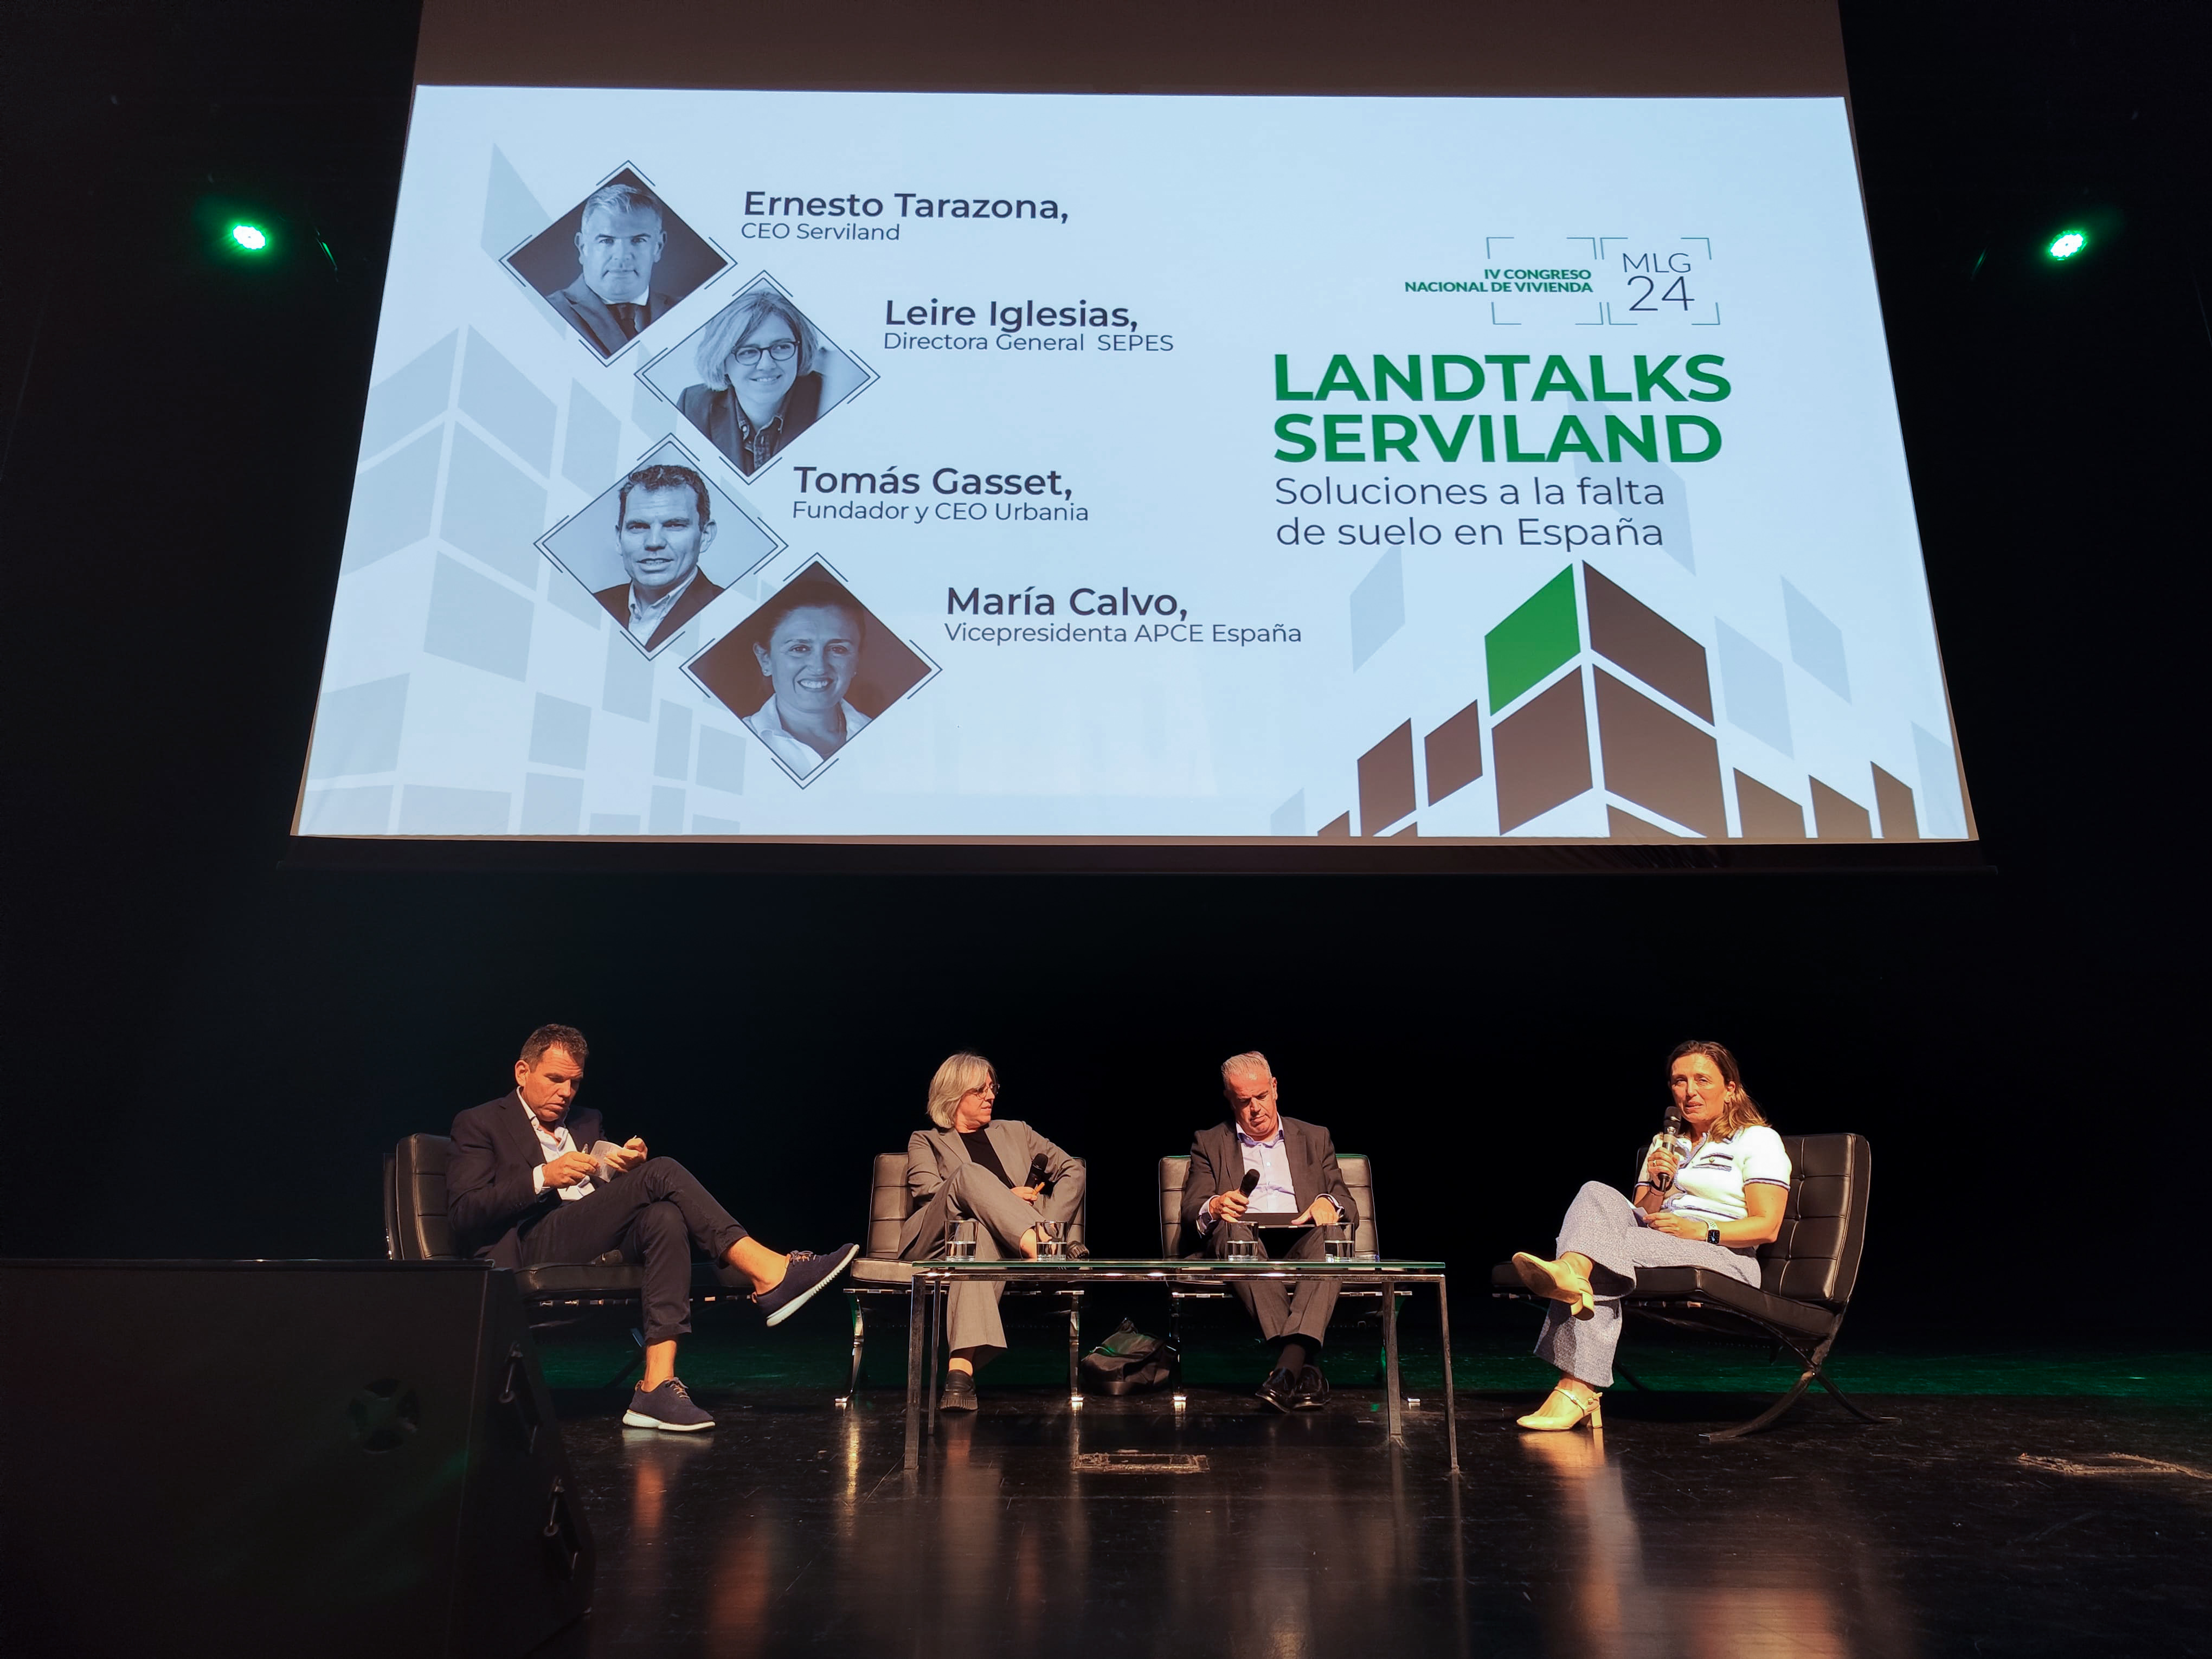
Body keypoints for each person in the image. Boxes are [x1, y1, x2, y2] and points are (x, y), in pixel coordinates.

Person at [446, 1024, 858, 1432]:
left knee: (664, 1215)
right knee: (663, 1173)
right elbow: (465, 1211)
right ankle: (770, 1271)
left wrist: (625, 1170)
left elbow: (603, 1200)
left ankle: (656, 1387)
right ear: (523, 1072)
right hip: (534, 1243)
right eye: (555, 1080)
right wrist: (542, 1177)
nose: (566, 1093)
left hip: (595, 1239)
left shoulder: (587, 1121)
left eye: (574, 1083)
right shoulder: (481, 1123)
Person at [1508, 1040, 1792, 1431]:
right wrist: (1660, 1185)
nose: (1689, 1091)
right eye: (1679, 1081)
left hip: (1726, 1255)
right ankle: (1572, 1272)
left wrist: (1702, 1231)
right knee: (1595, 1192)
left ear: (1730, 1089)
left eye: (1701, 1080)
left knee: (1601, 1248)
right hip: (1658, 1240)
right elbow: (1642, 1213)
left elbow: (1767, 1225)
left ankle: (1575, 1384)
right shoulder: (1665, 1144)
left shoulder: (1756, 1140)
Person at [899, 1052, 1088, 1412]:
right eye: (980, 1090)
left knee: (977, 1233)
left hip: (985, 1244)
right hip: (935, 1239)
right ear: (954, 1095)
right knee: (968, 1177)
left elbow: (1072, 1171)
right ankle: (1047, 1249)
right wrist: (1002, 1196)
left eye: (992, 1088)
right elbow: (928, 1191)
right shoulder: (926, 1140)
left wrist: (1051, 1221)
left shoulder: (1016, 1132)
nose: (991, 1096)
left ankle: (960, 1374)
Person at [1179, 1051, 1356, 1413]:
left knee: (1332, 1239)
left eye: (1261, 1096)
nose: (1255, 1108)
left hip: (1302, 1236)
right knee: (1234, 1234)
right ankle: (1303, 1368)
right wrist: (1214, 1206)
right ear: (1230, 1100)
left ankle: (1285, 1369)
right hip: (1244, 1238)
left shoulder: (1315, 1137)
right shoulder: (1209, 1142)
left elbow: (1347, 1205)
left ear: (1275, 1088)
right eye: (1244, 1101)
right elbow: (1191, 1211)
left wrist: (1327, 1203)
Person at [677, 290, 861, 476]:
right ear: (721, 360)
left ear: (800, 351)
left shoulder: (833, 401)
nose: (767, 364)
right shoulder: (692, 406)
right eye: (748, 351)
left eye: (781, 347)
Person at [740, 580, 871, 775]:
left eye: (838, 649)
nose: (819, 667)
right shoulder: (735, 740)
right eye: (799, 649)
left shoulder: (888, 737)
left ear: (857, 660)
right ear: (765, 659)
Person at [592, 463, 724, 651]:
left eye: (674, 525)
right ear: (618, 538)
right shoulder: (588, 607)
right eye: (638, 526)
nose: (654, 542)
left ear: (705, 535)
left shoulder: (734, 615)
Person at [548, 183, 676, 357]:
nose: (622, 256)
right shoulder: (545, 314)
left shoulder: (690, 310)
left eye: (638, 241)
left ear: (658, 247)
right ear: (583, 247)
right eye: (607, 241)